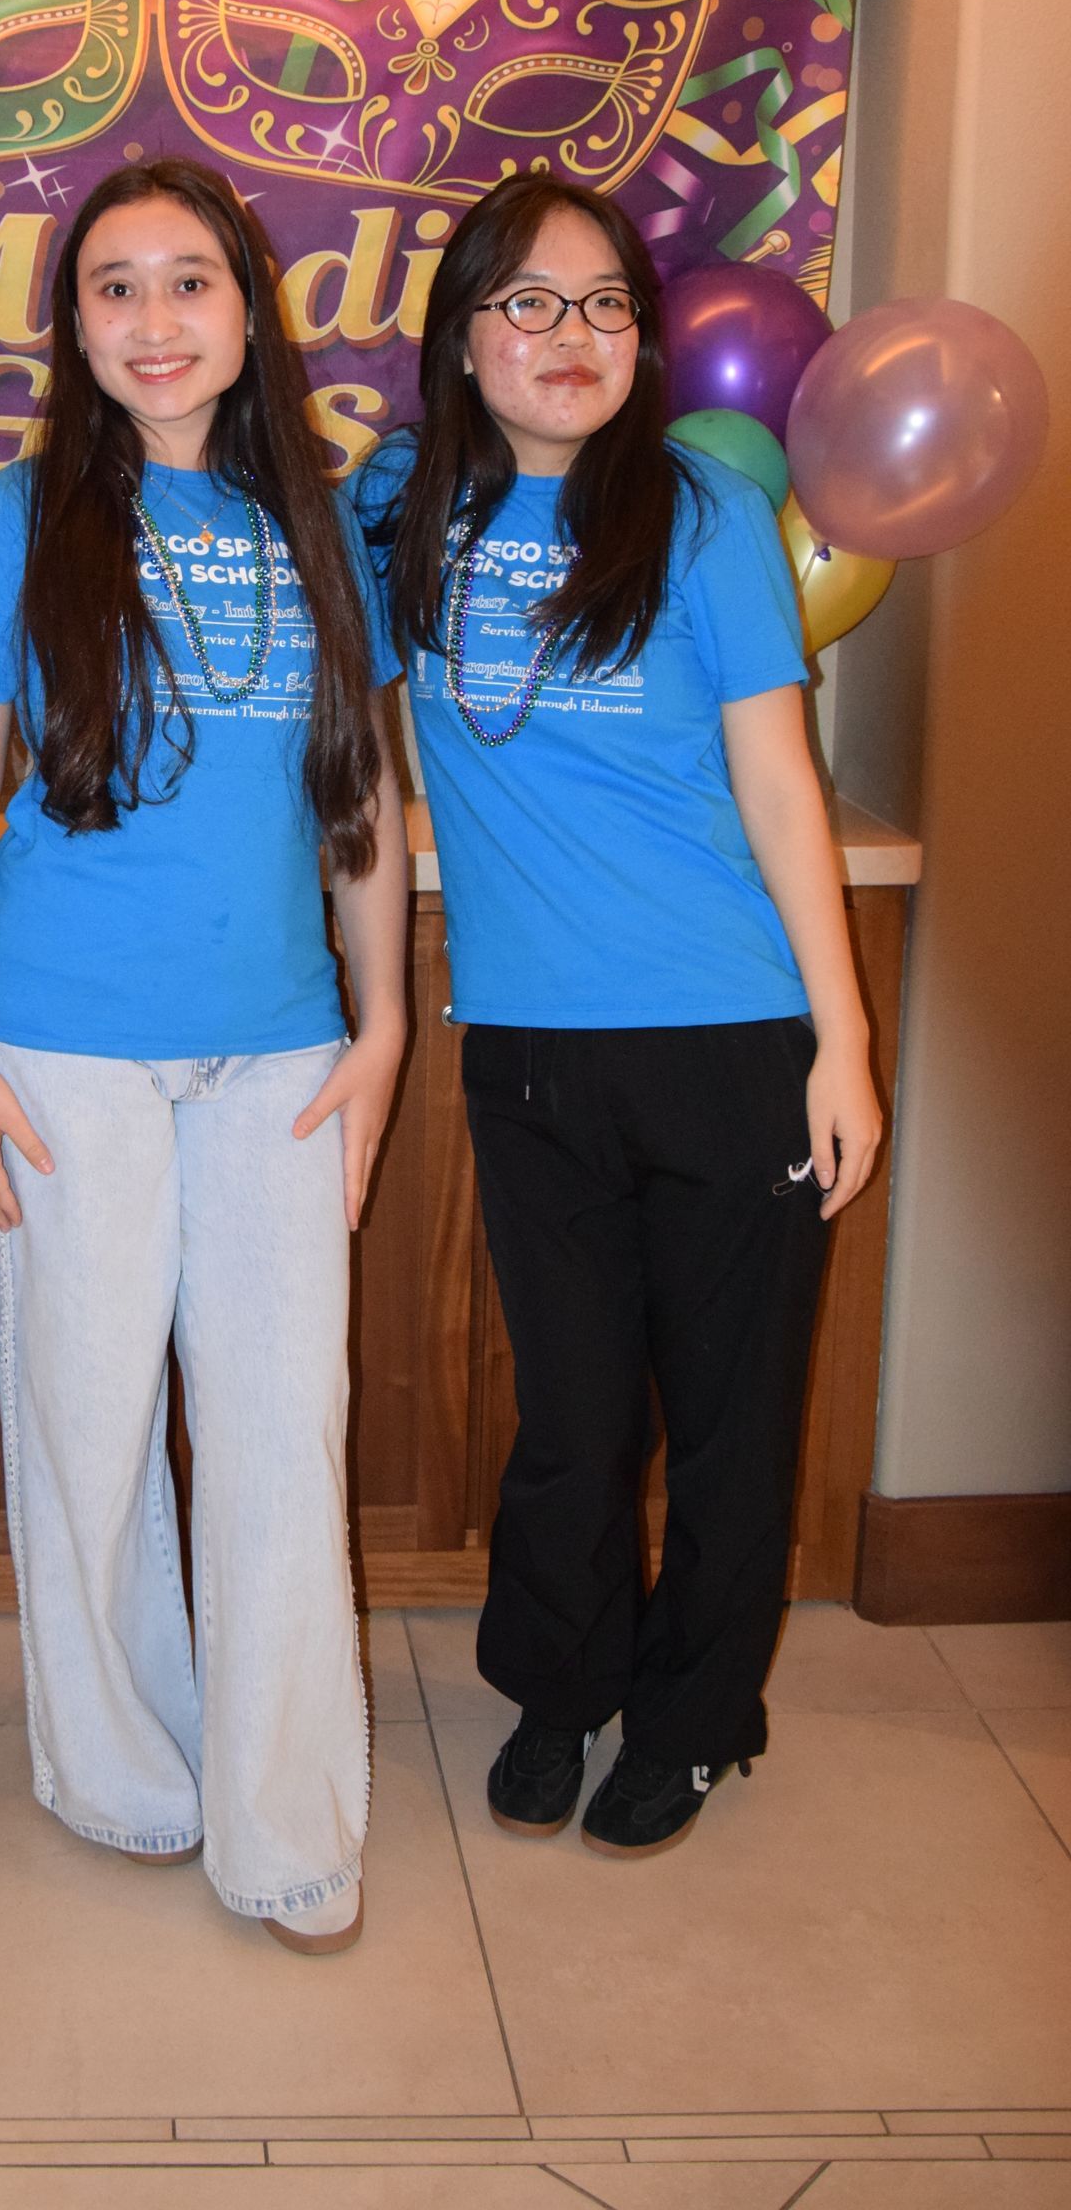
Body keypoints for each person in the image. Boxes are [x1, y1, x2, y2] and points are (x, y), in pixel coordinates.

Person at [355, 171, 882, 1858]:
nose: (566, 339)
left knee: (733, 1414)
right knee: (574, 1417)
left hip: (734, 1040)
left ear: (641, 340)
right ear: (462, 337)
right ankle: (560, 1687)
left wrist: (844, 1042)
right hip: (527, 1049)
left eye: (600, 307)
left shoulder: (703, 517)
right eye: (525, 303)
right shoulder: (399, 512)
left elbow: (782, 790)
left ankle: (700, 1717)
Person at [0, 157, 408, 1954]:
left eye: (184, 280)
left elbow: (364, 803)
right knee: (87, 1420)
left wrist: (386, 1023)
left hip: (282, 1053)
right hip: (59, 1051)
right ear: (75, 324)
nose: (151, 318)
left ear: (243, 306)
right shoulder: (11, 520)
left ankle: (285, 1824)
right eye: (110, 286)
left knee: (285, 1428)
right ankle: (119, 1766)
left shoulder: (326, 526)